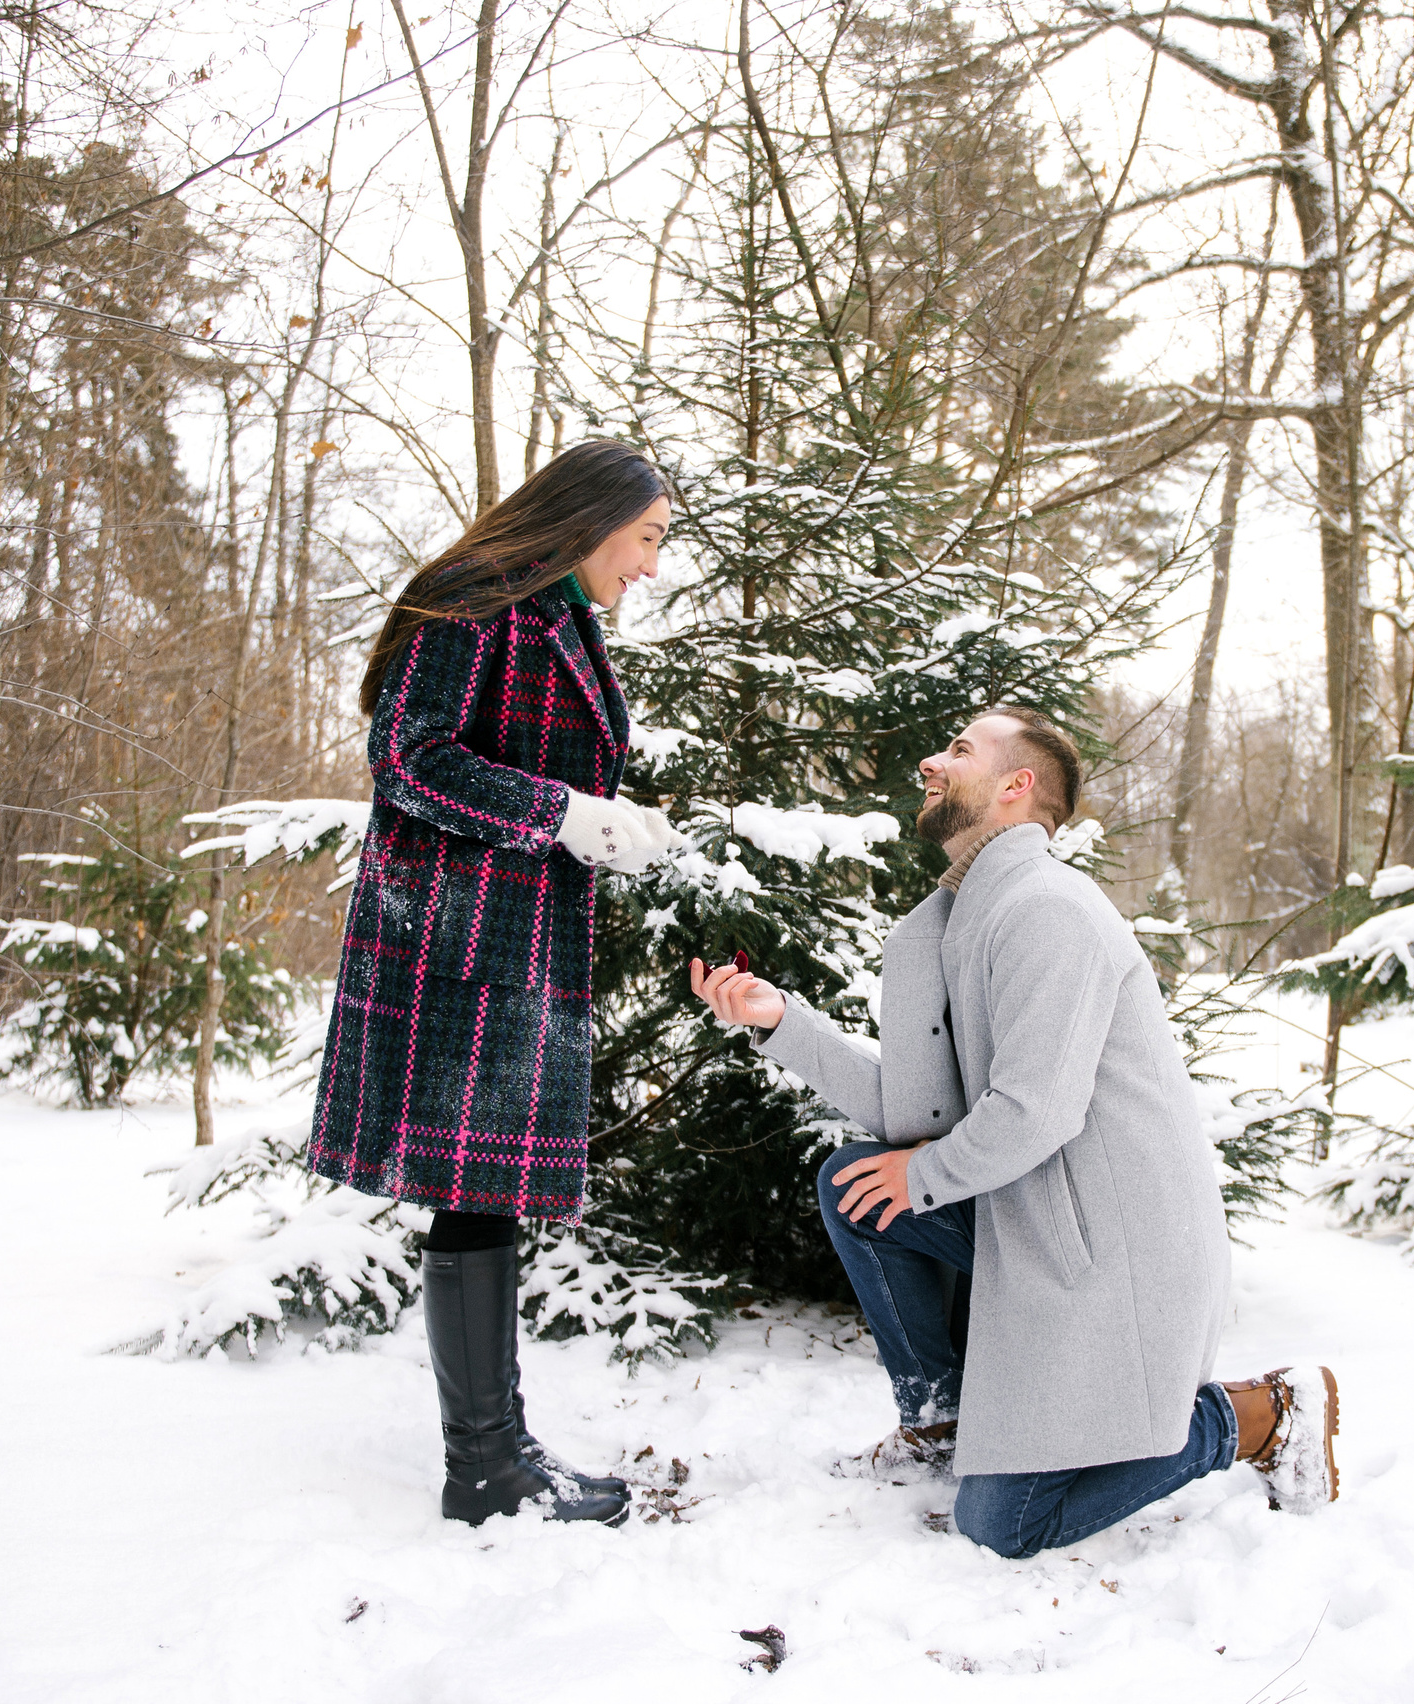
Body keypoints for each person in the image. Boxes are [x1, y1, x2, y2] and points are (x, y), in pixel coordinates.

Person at [690, 706, 1340, 1557]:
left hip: (1111, 1255)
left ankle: (1255, 1414)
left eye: (958, 750)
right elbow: (915, 1120)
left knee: (1004, 1524)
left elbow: (1038, 1110)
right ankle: (945, 1424)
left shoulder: (1048, 910)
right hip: (1031, 1214)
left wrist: (921, 1180)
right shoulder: (948, 926)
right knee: (856, 1184)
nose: (932, 760)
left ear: (1015, 786)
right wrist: (784, 1022)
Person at [309, 440, 687, 1526]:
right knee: (472, 1195)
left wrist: (607, 821)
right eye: (650, 539)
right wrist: (562, 814)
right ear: (595, 516)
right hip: (452, 946)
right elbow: (409, 756)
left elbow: (523, 755)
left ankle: (498, 1447)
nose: (652, 568)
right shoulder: (475, 597)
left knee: (483, 1197)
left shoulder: (555, 612)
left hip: (513, 941)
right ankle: (482, 1469)